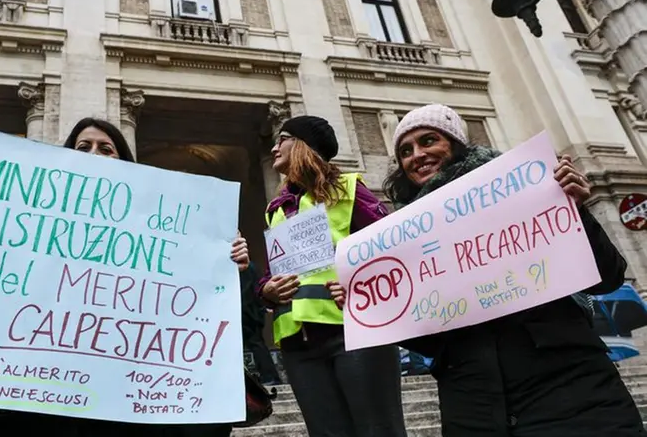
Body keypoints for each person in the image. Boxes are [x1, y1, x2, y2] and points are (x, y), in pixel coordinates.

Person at [0, 117, 246, 437]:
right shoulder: (28, 214)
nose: (94, 153)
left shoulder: (158, 226)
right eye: (83, 148)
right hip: (34, 382)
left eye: (106, 148)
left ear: (125, 161)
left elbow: (191, 290)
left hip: (120, 388)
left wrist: (225, 261)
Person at [330, 103, 645, 437]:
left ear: (455, 141)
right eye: (405, 151)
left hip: (570, 390)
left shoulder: (529, 189)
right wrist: (373, 304)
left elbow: (608, 277)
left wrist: (575, 211)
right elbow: (429, 338)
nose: (416, 155)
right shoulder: (403, 236)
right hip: (473, 404)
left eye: (428, 140)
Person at [256, 115, 407, 437]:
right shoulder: (276, 208)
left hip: (354, 333)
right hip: (298, 343)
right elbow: (271, 273)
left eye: (282, 138)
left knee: (378, 431)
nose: (274, 146)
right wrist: (267, 290)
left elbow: (394, 248)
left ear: (304, 145)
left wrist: (359, 284)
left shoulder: (351, 190)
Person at [240, 261, 282, 385]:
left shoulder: (243, 267)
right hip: (253, 312)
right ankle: (270, 377)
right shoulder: (250, 266)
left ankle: (270, 377)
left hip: (247, 312)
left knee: (256, 344)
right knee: (257, 344)